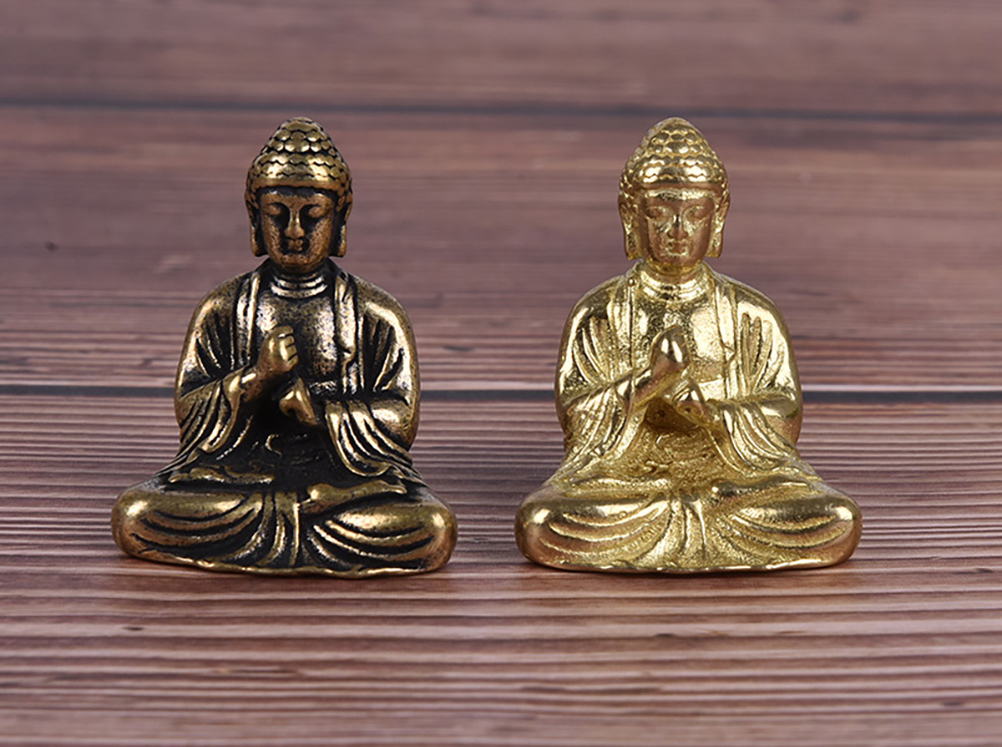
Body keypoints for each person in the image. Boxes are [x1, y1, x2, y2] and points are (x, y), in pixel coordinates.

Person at [113, 118, 456, 576]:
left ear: (340, 219)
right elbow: (189, 409)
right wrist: (257, 378)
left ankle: (285, 530)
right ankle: (294, 529)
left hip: (347, 482)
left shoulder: (377, 313)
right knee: (137, 514)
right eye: (277, 215)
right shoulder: (224, 307)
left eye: (312, 216)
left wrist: (320, 414)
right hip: (237, 475)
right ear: (254, 219)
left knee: (432, 527)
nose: (294, 231)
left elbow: (401, 417)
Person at [516, 118, 861, 573]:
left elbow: (785, 414)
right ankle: (687, 527)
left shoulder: (751, 313)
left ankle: (687, 528)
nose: (678, 229)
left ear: (718, 217)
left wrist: (710, 414)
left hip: (735, 479)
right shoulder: (600, 312)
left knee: (835, 518)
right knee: (543, 522)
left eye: (695, 213)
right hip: (629, 481)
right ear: (630, 215)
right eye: (660, 212)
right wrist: (648, 383)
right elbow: (577, 418)